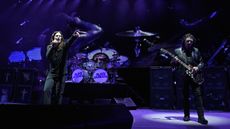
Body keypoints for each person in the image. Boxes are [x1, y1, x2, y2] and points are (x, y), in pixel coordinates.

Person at [43, 16, 102, 105]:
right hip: (72, 79)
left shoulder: (46, 39)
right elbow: (98, 30)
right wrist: (79, 22)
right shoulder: (77, 40)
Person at [172, 33, 208, 124]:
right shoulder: (177, 51)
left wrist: (197, 68)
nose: (189, 43)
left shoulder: (196, 51)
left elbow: (202, 63)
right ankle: (186, 115)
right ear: (184, 42)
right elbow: (172, 64)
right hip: (183, 76)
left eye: (190, 41)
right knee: (185, 97)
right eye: (187, 41)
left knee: (198, 97)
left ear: (193, 42)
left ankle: (201, 117)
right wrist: (175, 61)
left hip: (195, 77)